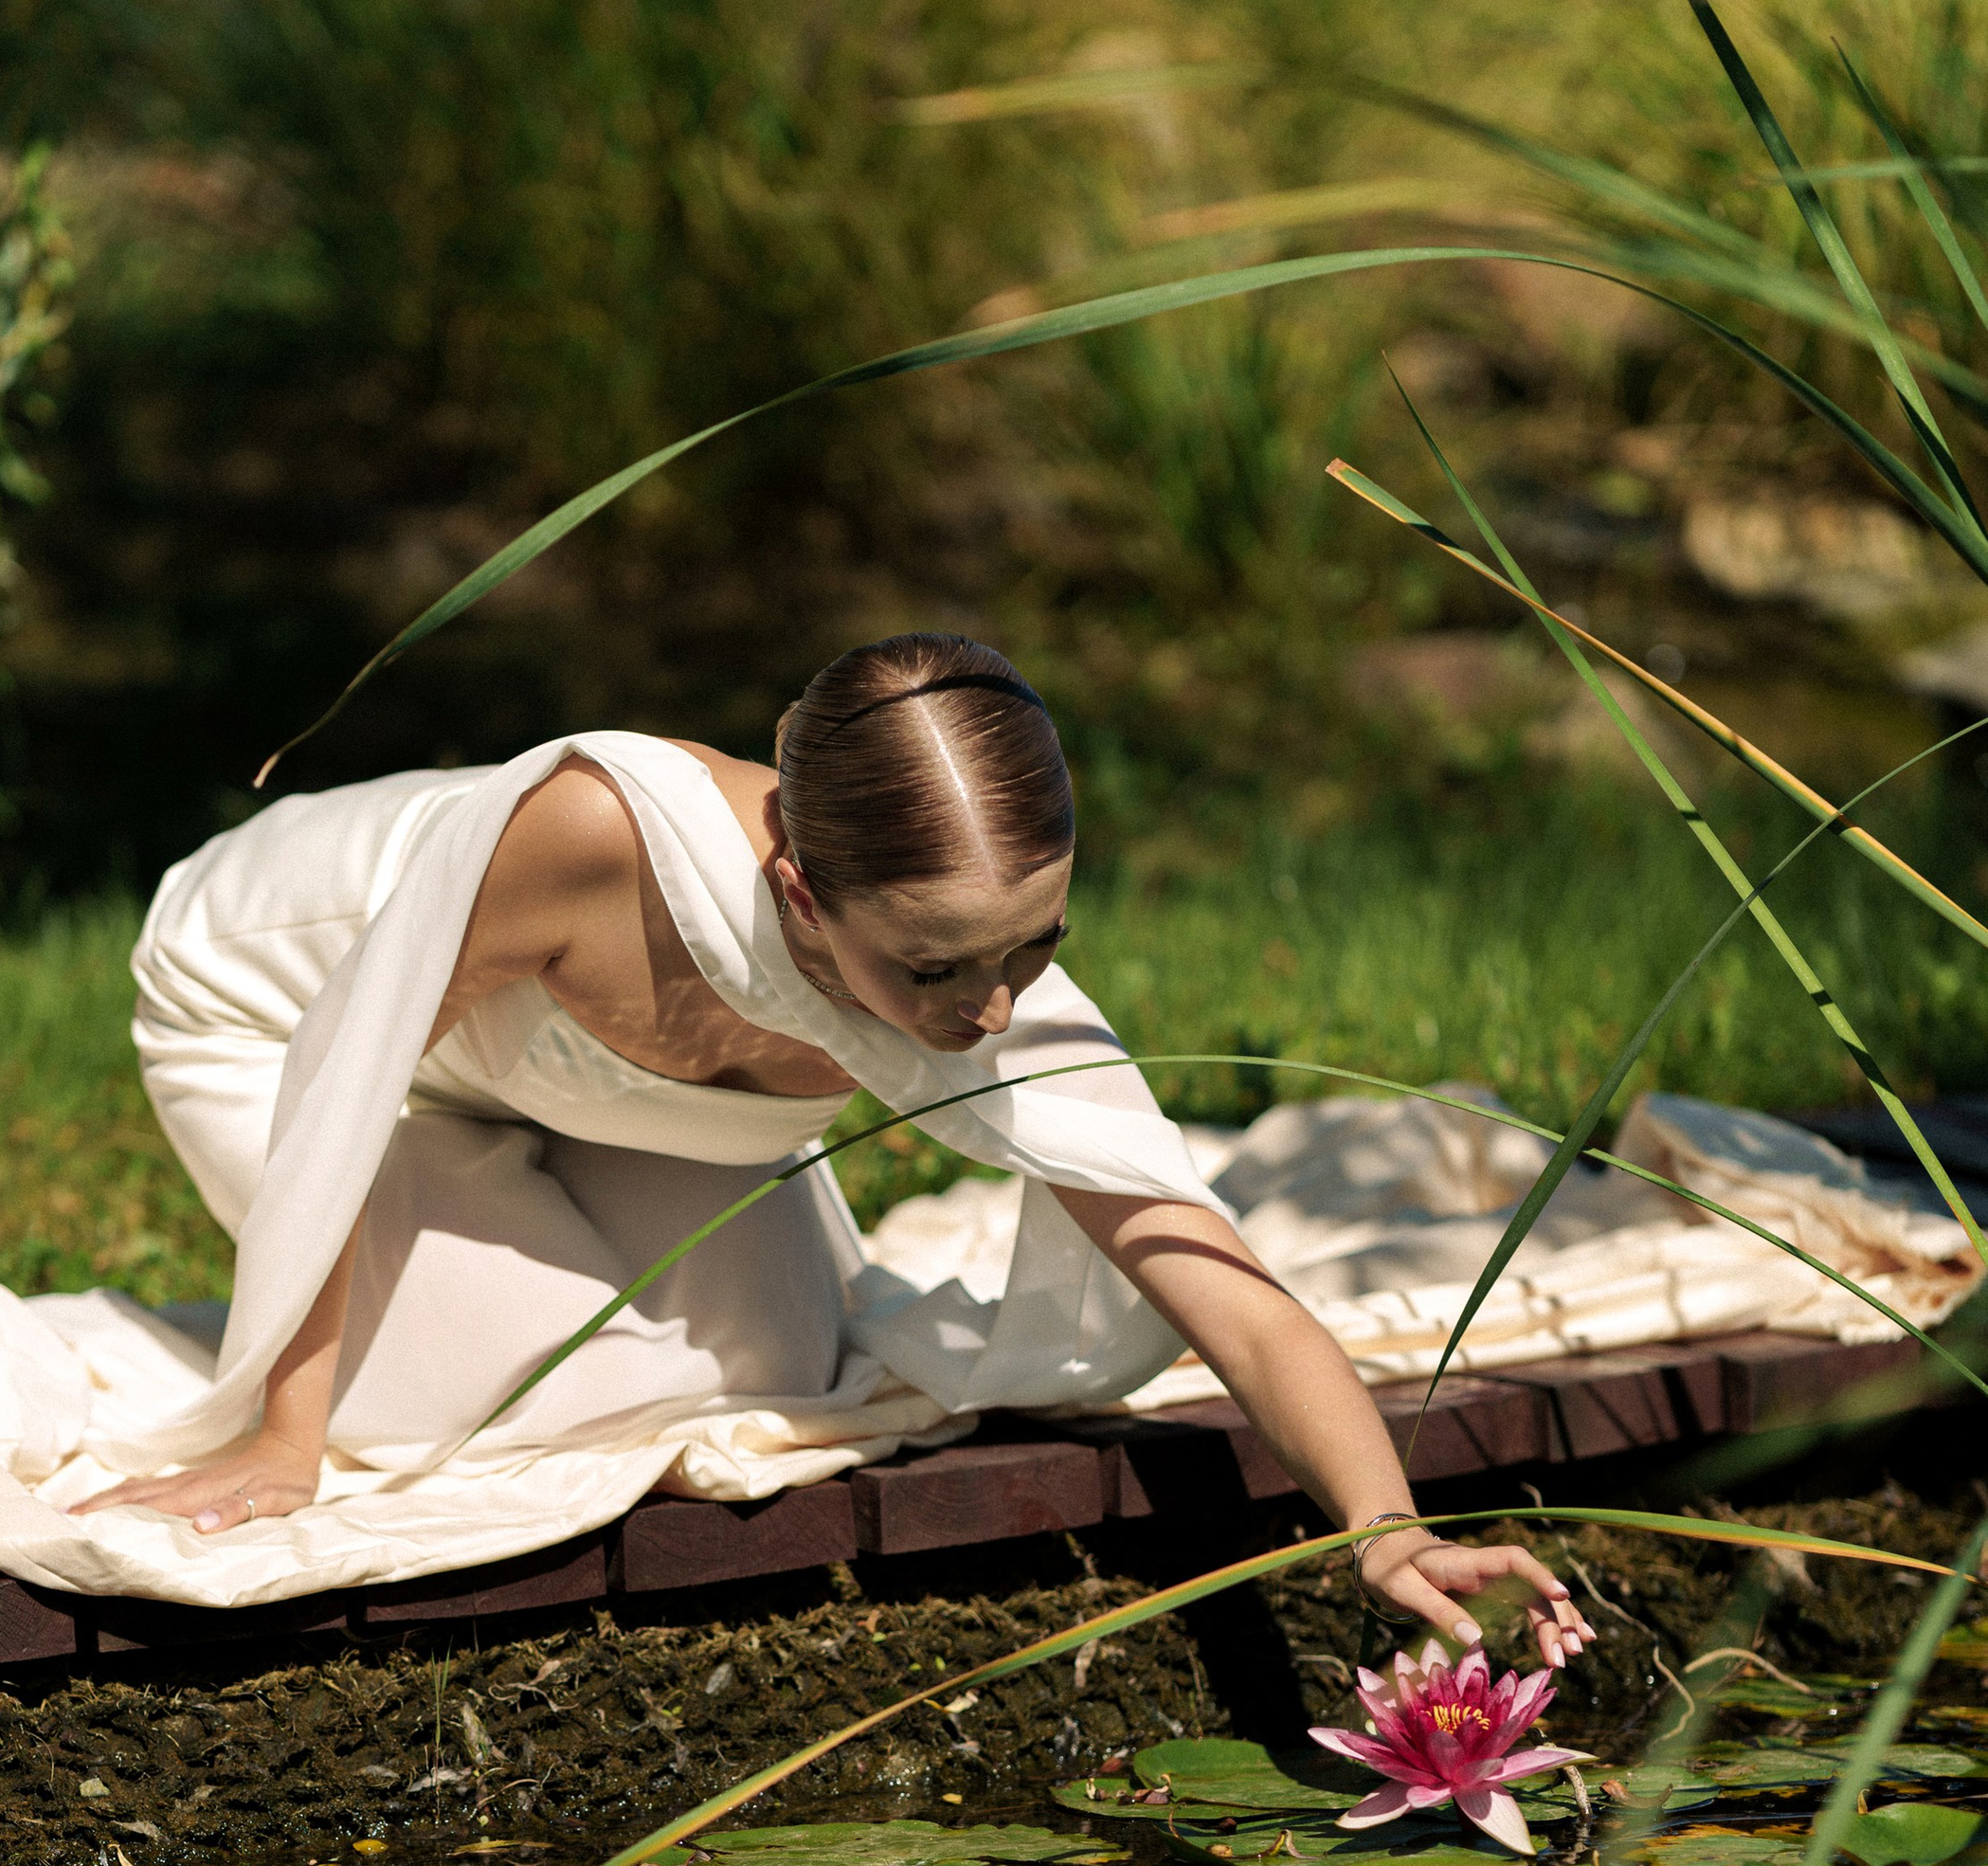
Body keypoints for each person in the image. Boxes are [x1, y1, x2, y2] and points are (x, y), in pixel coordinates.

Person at [110, 634, 1587, 1664]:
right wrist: (282, 1430)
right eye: (937, 971)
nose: (991, 1008)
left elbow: (1223, 1281)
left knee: (773, 1385)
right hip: (288, 1029)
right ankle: (422, 1318)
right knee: (588, 1409)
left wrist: (1384, 1533)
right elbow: (350, 1058)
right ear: (799, 894)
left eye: (1035, 943)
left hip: (593, 1092)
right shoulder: (589, 835)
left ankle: (519, 1242)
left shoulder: (990, 981)